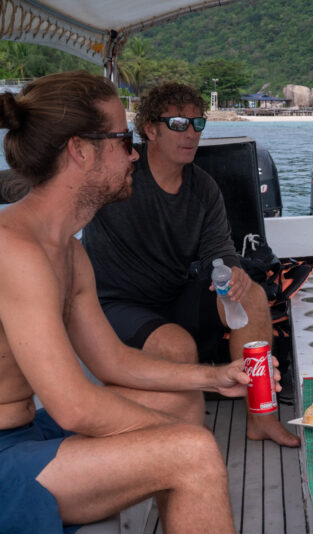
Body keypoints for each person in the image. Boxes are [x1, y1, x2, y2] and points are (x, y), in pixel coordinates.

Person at [0, 71, 280, 533]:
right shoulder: (16, 250)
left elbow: (112, 362)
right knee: (192, 450)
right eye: (122, 140)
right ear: (80, 150)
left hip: (26, 431)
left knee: (182, 405)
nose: (133, 154)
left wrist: (216, 376)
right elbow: (73, 407)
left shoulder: (69, 252)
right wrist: (174, 436)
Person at [81, 82, 299, 447]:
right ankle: (184, 444)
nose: (191, 133)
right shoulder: (119, 173)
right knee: (177, 346)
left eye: (198, 123)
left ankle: (261, 416)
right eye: (179, 123)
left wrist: (232, 272)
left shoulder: (203, 188)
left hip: (172, 295)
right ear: (150, 129)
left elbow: (219, 251)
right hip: (115, 303)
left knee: (253, 297)